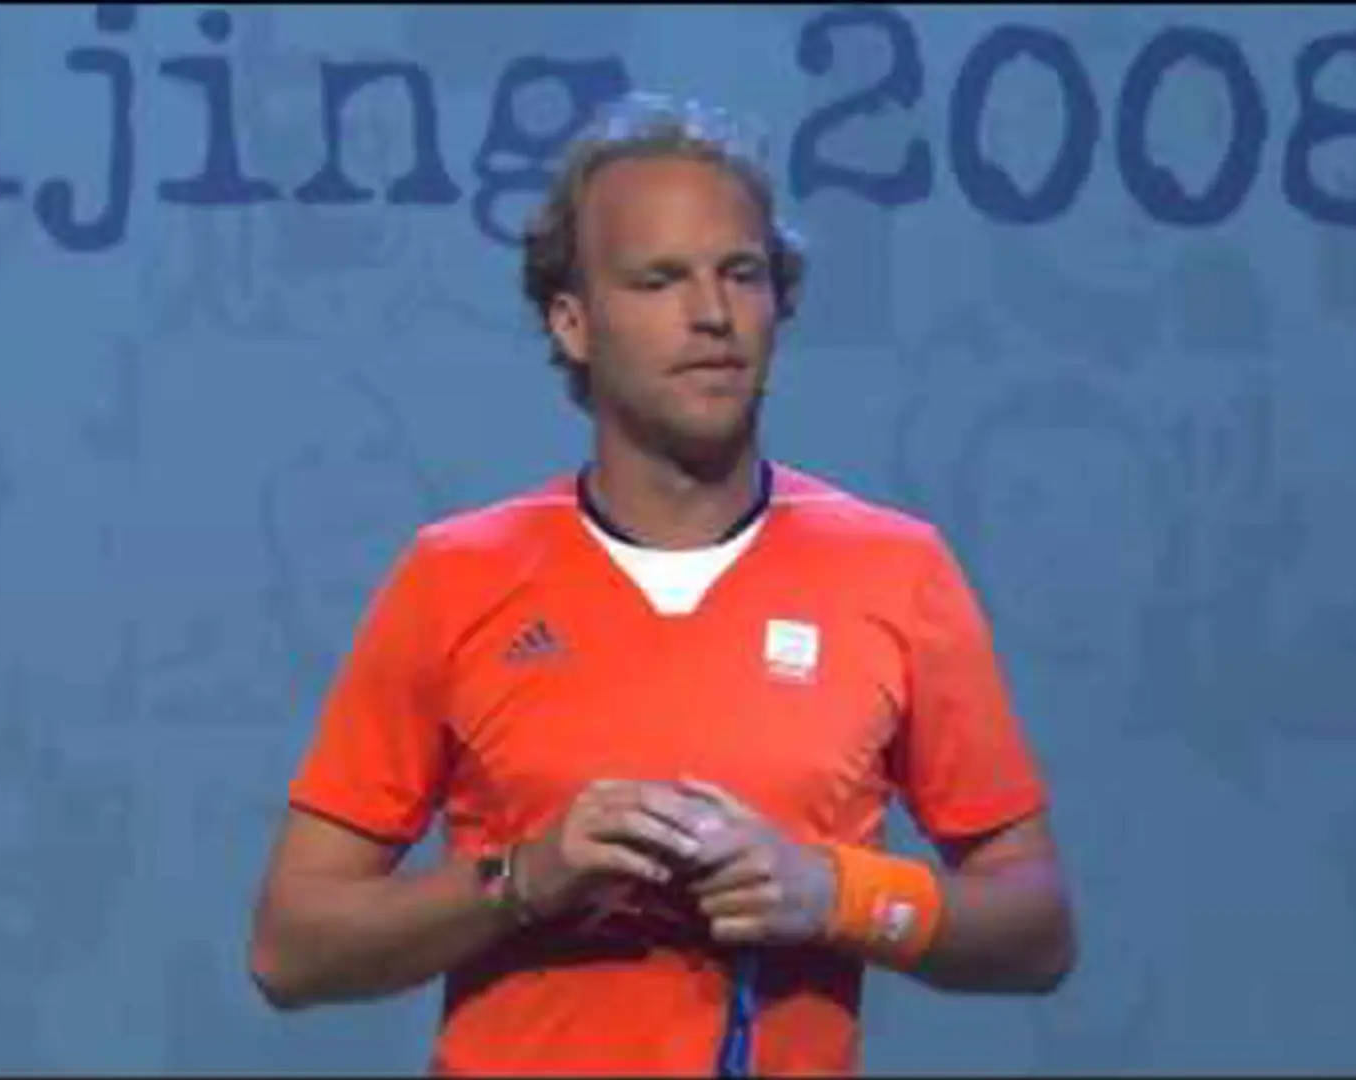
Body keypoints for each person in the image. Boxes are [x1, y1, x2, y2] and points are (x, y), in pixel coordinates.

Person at [248, 92, 1076, 1076]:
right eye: (659, 279)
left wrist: (834, 894)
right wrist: (525, 880)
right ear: (573, 323)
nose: (712, 315)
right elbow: (291, 949)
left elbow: (1036, 928)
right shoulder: (456, 575)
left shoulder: (896, 570)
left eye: (742, 273)